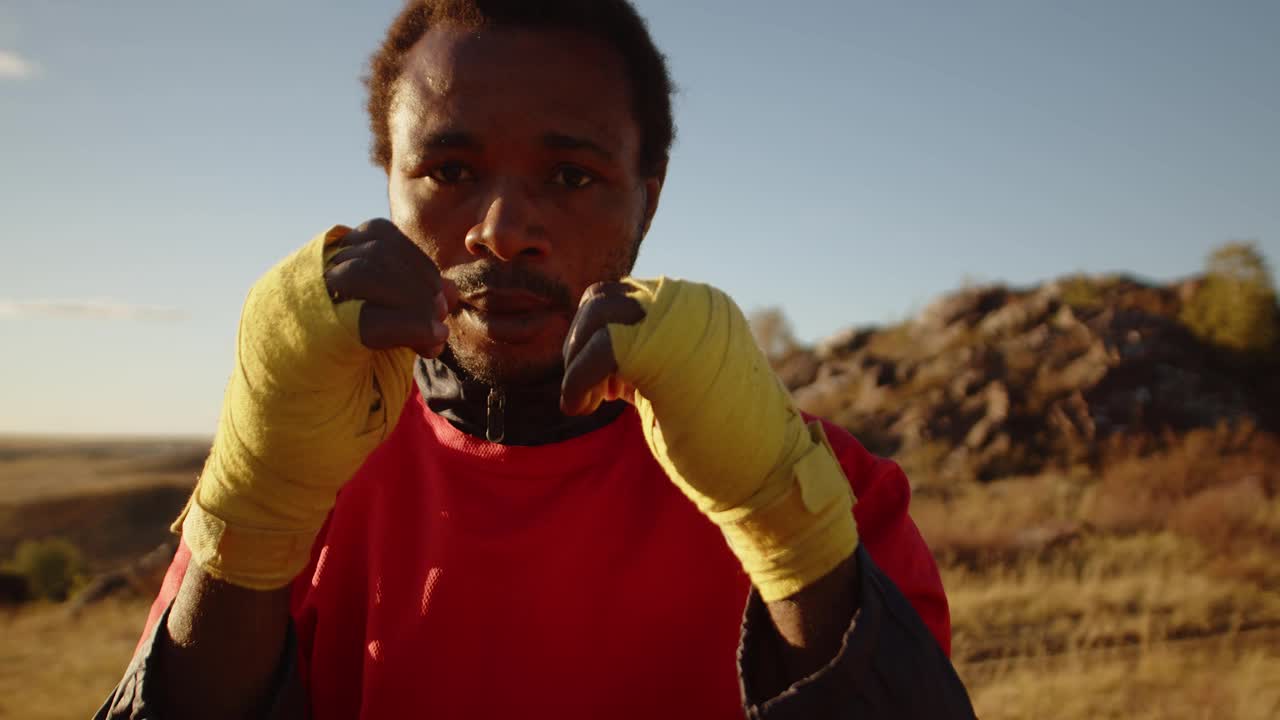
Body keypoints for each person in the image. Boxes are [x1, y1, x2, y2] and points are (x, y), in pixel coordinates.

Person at [97, 1, 975, 718]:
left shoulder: (832, 489)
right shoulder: (295, 465)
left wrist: (788, 526)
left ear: (648, 199)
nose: (503, 231)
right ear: (389, 187)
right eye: (448, 169)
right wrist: (253, 511)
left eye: (571, 177)